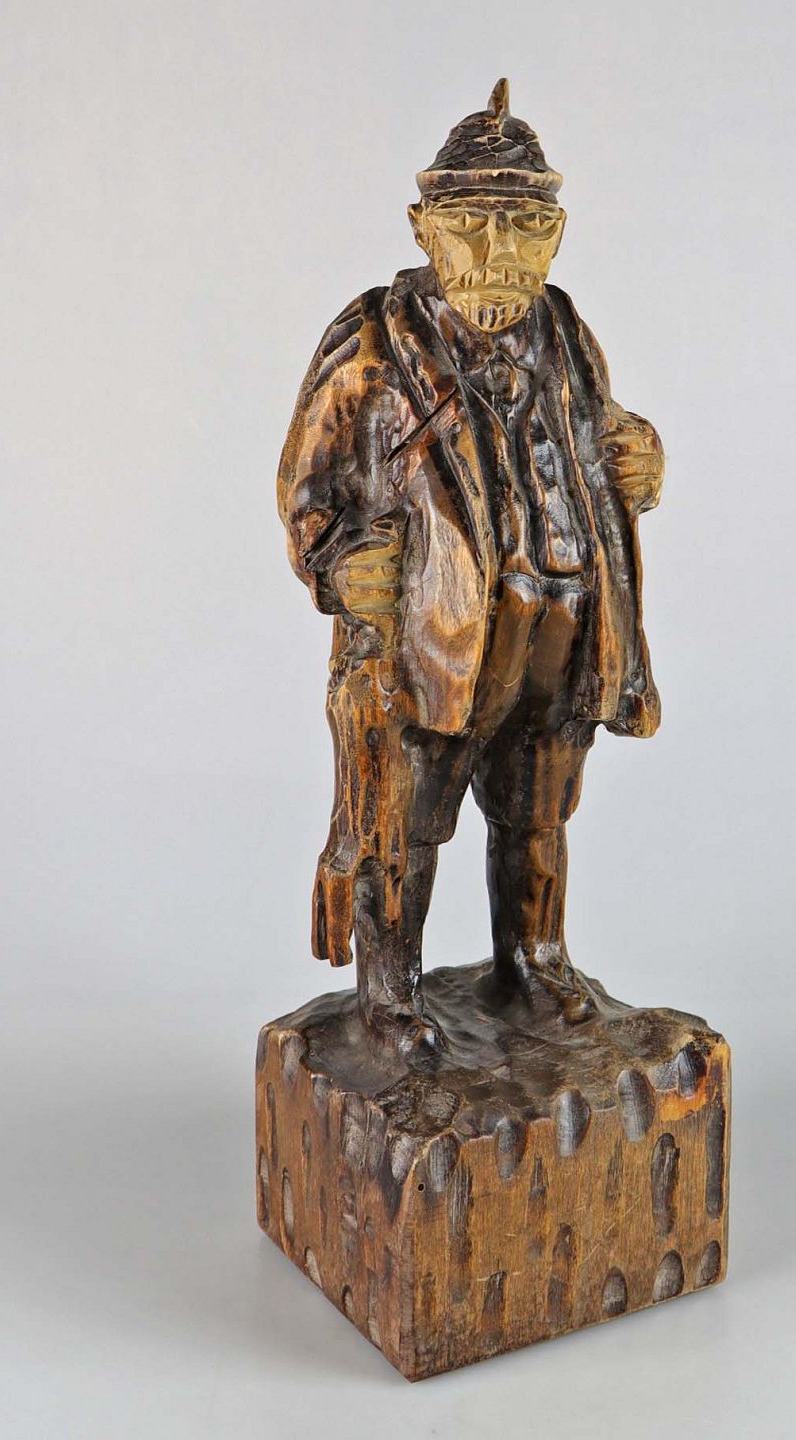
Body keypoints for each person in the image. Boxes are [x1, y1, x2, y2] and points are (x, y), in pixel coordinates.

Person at [278, 79, 665, 1055]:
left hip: (564, 619)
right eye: (474, 226)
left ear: (557, 234)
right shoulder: (375, 341)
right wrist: (338, 563)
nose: (500, 254)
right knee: (406, 816)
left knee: (538, 807)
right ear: (425, 229)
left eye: (526, 228)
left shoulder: (564, 328)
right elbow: (311, 486)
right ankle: (390, 993)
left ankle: (531, 961)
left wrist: (638, 456)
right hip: (440, 636)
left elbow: (600, 432)